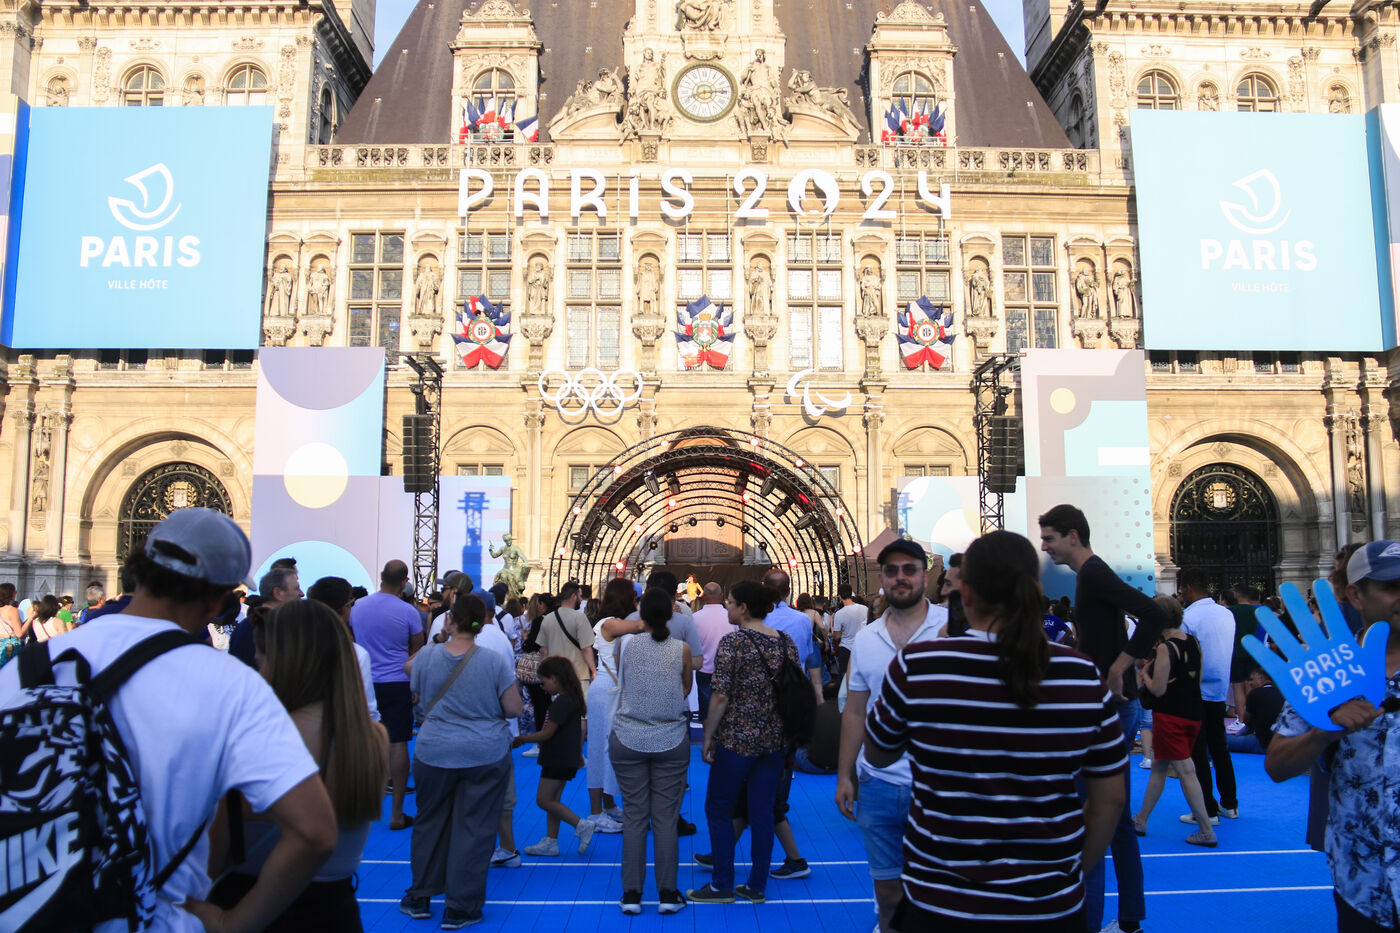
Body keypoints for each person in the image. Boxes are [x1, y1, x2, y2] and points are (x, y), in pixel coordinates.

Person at [0, 507, 337, 932]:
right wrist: (232, 923)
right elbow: (315, 832)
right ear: (217, 597)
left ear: (140, 569)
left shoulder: (29, 669)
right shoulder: (228, 684)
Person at [865, 530, 1127, 931]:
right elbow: (1109, 799)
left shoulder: (919, 665)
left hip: (940, 903)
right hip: (1049, 906)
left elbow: (879, 753)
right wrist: (1070, 872)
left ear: (966, 593)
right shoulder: (1081, 675)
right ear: (1036, 590)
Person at [209, 600, 389, 931]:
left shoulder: (259, 739)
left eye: (261, 662)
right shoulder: (371, 738)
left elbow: (212, 857)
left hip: (252, 905)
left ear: (281, 663)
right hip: (336, 911)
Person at [1039, 503, 1166, 933]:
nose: (1045, 546)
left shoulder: (1093, 573)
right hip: (1111, 706)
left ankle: (1087, 922)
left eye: (1050, 538)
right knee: (1117, 820)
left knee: (1090, 818)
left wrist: (1118, 667)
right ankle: (1129, 921)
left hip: (1107, 708)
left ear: (1073, 535)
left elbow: (1153, 614)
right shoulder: (1090, 575)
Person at [1268, 540, 1400, 933]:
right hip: (1362, 882)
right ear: (1356, 594)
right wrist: (1323, 733)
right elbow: (1276, 766)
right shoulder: (1325, 669)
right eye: (1392, 587)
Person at [835, 538, 948, 933]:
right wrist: (845, 775)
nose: (901, 578)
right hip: (879, 782)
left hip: (940, 783)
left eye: (909, 570)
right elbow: (855, 711)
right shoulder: (867, 639)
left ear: (925, 576)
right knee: (886, 892)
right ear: (881, 578)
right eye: (892, 571)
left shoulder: (952, 628)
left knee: (940, 891)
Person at [400, 592, 521, 929]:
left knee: (429, 822)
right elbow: (514, 708)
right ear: (484, 622)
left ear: (450, 619)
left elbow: (408, 669)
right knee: (475, 828)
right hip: (483, 751)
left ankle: (421, 894)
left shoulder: (429, 655)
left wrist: (440, 638)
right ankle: (461, 906)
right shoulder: (493, 661)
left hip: (434, 749)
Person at [688, 580, 801, 905]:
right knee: (762, 812)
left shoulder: (734, 643)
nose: (727, 606)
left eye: (731, 602)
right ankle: (756, 885)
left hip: (737, 740)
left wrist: (709, 736)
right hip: (773, 741)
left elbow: (720, 695)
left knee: (719, 808)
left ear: (744, 608)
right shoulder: (785, 642)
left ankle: (722, 883)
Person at [609, 587, 694, 916]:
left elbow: (625, 680)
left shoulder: (625, 645)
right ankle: (668, 892)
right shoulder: (681, 649)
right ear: (671, 614)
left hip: (628, 735)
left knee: (634, 817)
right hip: (670, 737)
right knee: (665, 818)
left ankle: (631, 893)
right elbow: (685, 687)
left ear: (641, 614)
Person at [1131, 595, 1217, 845]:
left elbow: (1158, 690)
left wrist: (1144, 675)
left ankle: (1206, 830)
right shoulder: (1193, 642)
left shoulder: (1165, 648)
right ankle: (1141, 819)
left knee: (1186, 771)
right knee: (1159, 766)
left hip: (1170, 716)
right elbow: (1197, 678)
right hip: (1193, 713)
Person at [350, 559, 425, 831]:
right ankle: (396, 813)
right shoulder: (408, 611)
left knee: (364, 742)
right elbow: (418, 649)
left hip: (365, 680)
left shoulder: (358, 607)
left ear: (381, 575)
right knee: (399, 742)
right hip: (397, 681)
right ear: (404, 582)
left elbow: (353, 641)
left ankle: (362, 805)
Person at [512, 656, 596, 856]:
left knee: (543, 800)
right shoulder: (572, 700)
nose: (542, 687)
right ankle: (551, 840)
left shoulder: (561, 703)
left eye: (544, 682)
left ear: (555, 678)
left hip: (556, 758)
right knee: (554, 800)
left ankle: (580, 824)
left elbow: (547, 733)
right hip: (565, 758)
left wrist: (523, 739)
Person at [1177, 567, 1240, 826]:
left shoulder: (1188, 617)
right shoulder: (1226, 614)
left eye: (1182, 589)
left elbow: (1184, 658)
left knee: (1198, 751)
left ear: (1189, 588)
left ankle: (1206, 810)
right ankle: (1230, 804)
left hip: (1196, 690)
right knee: (1219, 747)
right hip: (1219, 689)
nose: (1180, 594)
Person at [586, 578, 636, 833]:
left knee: (610, 746)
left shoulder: (613, 623)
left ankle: (608, 803)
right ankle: (596, 812)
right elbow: (641, 625)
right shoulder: (610, 623)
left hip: (611, 688)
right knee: (600, 748)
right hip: (607, 690)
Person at [306, 576, 378, 723]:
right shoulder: (355, 653)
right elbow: (367, 708)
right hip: (342, 729)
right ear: (345, 608)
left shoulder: (296, 646)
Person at [229, 565, 303, 668]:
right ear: (278, 593)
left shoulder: (252, 625)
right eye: (296, 588)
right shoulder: (261, 628)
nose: (301, 594)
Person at [538, 582, 596, 691]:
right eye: (579, 596)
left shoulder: (547, 619)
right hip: (578, 674)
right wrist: (593, 670)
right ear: (574, 596)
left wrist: (546, 674)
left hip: (556, 677)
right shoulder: (580, 618)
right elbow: (586, 648)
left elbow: (543, 651)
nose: (581, 599)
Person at [692, 582, 735, 722]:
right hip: (727, 669)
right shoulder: (731, 617)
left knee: (706, 710)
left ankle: (708, 734)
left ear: (704, 596)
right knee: (727, 709)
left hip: (704, 669)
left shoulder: (695, 618)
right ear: (721, 596)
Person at [1226, 667, 1284, 755]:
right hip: (1280, 744)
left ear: (1261, 679)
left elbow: (1246, 721)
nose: (1250, 683)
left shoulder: (1256, 693)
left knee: (1221, 739)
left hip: (1261, 744)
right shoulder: (1282, 694)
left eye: (1252, 680)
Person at [830, 583, 866, 675]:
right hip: (862, 646)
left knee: (845, 676)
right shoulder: (864, 609)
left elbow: (837, 636)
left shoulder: (839, 614)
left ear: (840, 596)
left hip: (846, 648)